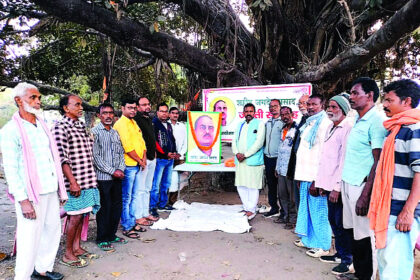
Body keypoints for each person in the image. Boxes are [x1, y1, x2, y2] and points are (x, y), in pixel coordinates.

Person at [1, 83, 67, 280]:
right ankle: (22, 277)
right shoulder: (10, 130)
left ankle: (42, 270)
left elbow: (51, 158)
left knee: (52, 232)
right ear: (19, 101)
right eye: (33, 97)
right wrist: (23, 200)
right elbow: (11, 169)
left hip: (50, 189)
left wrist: (59, 189)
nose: (38, 101)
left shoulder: (43, 125)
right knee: (29, 238)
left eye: (38, 97)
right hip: (31, 194)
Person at [368, 79, 420, 280]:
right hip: (388, 209)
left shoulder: (413, 130)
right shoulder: (395, 129)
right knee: (387, 263)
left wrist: (407, 212)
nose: (385, 104)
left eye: (389, 100)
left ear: (407, 101)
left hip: (400, 212)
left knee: (395, 270)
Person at [338, 77, 387, 280]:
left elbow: (378, 161)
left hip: (362, 187)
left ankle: (366, 276)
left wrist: (366, 195)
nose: (351, 97)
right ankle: (358, 273)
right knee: (352, 233)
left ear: (370, 96)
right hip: (348, 183)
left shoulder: (377, 120)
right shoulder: (357, 119)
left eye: (355, 93)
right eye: (351, 93)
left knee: (365, 236)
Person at [53, 94, 100, 268]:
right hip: (75, 182)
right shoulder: (60, 127)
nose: (81, 108)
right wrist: (72, 182)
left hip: (87, 179)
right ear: (66, 108)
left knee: (82, 215)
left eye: (81, 105)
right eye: (77, 105)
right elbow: (62, 158)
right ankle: (67, 253)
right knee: (74, 217)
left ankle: (77, 247)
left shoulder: (80, 125)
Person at [316, 94, 354, 275]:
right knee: (334, 221)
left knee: (341, 223)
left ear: (344, 109)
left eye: (334, 107)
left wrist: (336, 188)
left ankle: (347, 260)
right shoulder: (331, 127)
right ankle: (339, 254)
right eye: (329, 107)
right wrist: (322, 183)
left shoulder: (348, 127)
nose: (330, 110)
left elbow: (343, 160)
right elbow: (326, 159)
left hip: (337, 186)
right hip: (328, 183)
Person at [294, 93, 332, 258]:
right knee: (306, 210)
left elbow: (325, 155)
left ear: (322, 105)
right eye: (308, 104)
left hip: (316, 178)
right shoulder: (309, 123)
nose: (309, 107)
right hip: (304, 175)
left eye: (313, 104)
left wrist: (319, 180)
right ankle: (308, 240)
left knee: (319, 212)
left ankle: (324, 246)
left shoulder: (325, 124)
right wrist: (299, 177)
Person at [92, 103, 127, 252]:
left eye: (110, 113)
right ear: (99, 116)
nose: (108, 116)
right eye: (104, 113)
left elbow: (120, 153)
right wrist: (113, 171)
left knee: (116, 206)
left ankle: (112, 235)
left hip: (117, 176)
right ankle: (102, 238)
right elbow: (96, 157)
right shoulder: (95, 132)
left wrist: (120, 168)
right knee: (105, 208)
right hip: (103, 177)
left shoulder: (114, 132)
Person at [113, 99, 147, 239]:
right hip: (128, 165)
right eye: (129, 108)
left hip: (137, 165)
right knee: (126, 198)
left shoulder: (134, 122)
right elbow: (127, 147)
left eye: (134, 108)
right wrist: (140, 160)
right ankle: (127, 227)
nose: (132, 110)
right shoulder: (121, 124)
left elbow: (141, 142)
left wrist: (143, 158)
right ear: (122, 108)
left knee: (133, 196)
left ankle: (132, 223)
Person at [232, 103, 266, 220]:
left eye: (251, 111)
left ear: (254, 112)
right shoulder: (240, 125)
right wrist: (237, 153)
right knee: (241, 185)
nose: (248, 114)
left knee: (252, 186)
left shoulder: (259, 124)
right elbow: (234, 141)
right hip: (240, 161)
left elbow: (259, 143)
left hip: (253, 160)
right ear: (243, 113)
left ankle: (251, 209)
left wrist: (245, 155)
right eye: (246, 111)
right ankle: (246, 207)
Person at [134, 97, 160, 225]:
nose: (147, 107)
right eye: (144, 105)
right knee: (140, 189)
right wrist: (141, 159)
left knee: (148, 188)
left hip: (152, 158)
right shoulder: (136, 120)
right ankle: (139, 216)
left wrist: (154, 153)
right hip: (142, 159)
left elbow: (151, 138)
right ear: (138, 107)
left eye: (148, 104)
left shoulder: (148, 119)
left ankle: (145, 213)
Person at [150, 103, 177, 217]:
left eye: (166, 111)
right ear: (157, 112)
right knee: (156, 185)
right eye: (162, 111)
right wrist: (166, 153)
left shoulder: (169, 125)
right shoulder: (154, 124)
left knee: (166, 183)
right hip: (160, 159)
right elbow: (155, 142)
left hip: (170, 159)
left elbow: (172, 140)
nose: (164, 113)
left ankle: (162, 204)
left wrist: (174, 152)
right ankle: (152, 207)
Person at [274, 106, 298, 229]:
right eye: (282, 115)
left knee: (292, 196)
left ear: (292, 114)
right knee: (282, 194)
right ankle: (285, 216)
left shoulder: (297, 129)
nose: (285, 117)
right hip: (281, 168)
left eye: (287, 114)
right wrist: (277, 168)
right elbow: (280, 150)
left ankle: (293, 220)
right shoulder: (282, 130)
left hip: (290, 169)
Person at [287, 94, 310, 210]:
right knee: (298, 195)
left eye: (304, 103)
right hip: (297, 164)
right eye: (299, 103)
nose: (301, 106)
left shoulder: (315, 121)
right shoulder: (303, 119)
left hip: (307, 167)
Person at [263, 99, 284, 219]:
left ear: (280, 107)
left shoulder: (283, 122)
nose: (273, 108)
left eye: (275, 106)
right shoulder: (267, 123)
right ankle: (274, 208)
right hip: (268, 158)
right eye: (271, 106)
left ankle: (284, 211)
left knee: (281, 187)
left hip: (279, 158)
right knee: (271, 185)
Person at [168, 107, 187, 205]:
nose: (175, 115)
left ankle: (173, 201)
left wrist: (180, 153)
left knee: (177, 180)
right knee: (168, 179)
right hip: (168, 156)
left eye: (177, 113)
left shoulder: (182, 126)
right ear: (169, 114)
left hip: (179, 157)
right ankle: (165, 201)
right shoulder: (165, 125)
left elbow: (185, 142)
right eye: (173, 113)